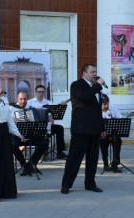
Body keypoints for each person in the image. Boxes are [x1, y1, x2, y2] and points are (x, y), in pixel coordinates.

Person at [61, 64, 106, 194]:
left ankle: (90, 184)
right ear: (84, 73)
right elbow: (85, 97)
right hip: (81, 129)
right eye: (92, 72)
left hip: (95, 129)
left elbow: (98, 110)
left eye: (96, 72)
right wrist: (97, 85)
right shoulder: (76, 85)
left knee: (92, 160)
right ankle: (66, 185)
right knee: (74, 159)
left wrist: (102, 128)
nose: (95, 74)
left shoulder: (96, 88)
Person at [10, 91, 49, 176]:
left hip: (31, 135)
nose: (23, 101)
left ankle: (31, 164)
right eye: (21, 99)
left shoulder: (31, 108)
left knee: (45, 142)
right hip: (18, 136)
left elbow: (36, 122)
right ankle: (24, 165)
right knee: (12, 144)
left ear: (27, 99)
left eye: (25, 99)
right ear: (17, 99)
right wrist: (13, 120)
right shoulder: (11, 109)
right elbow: (6, 123)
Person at [27, 85, 67, 159]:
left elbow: (52, 117)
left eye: (42, 92)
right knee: (44, 134)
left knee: (59, 128)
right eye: (39, 92)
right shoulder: (29, 103)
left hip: (46, 126)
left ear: (44, 92)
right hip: (35, 128)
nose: (40, 94)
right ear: (35, 92)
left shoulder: (49, 103)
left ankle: (59, 152)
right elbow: (26, 116)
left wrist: (51, 121)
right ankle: (42, 151)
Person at [100, 94, 122, 173]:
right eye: (104, 104)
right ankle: (105, 164)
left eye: (107, 103)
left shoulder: (113, 108)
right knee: (103, 142)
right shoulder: (96, 110)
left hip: (112, 133)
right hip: (102, 133)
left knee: (117, 140)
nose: (106, 106)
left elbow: (120, 118)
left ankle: (115, 163)